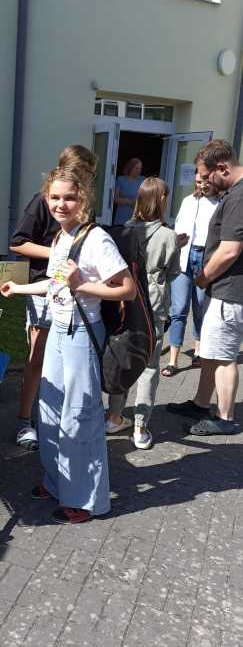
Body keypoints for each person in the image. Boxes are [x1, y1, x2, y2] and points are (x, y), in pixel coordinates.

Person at [1, 165, 135, 524]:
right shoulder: (60, 238)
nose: (61, 204)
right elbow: (55, 284)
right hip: (59, 331)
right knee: (49, 410)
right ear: (46, 199)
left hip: (82, 335)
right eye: (55, 197)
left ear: (83, 199)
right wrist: (19, 289)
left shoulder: (96, 239)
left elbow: (127, 289)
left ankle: (86, 500)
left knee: (79, 416)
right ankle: (56, 481)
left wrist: (82, 285)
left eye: (69, 198)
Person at [9, 145, 97, 449]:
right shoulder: (43, 200)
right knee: (38, 359)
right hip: (42, 288)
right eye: (87, 172)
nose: (90, 178)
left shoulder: (84, 206)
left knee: (67, 362)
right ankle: (24, 421)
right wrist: (58, 252)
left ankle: (58, 421)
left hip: (74, 293)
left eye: (91, 175)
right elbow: (18, 243)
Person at [167, 140, 243, 435]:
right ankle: (200, 403)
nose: (205, 182)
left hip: (228, 290)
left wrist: (203, 278)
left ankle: (225, 418)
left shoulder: (238, 197)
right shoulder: (233, 193)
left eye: (207, 175)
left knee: (223, 357)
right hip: (222, 288)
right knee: (211, 350)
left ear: (222, 168)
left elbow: (229, 250)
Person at [107, 178, 180, 448]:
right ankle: (140, 427)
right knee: (149, 367)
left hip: (126, 303)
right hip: (154, 306)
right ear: (161, 200)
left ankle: (114, 417)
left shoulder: (123, 231)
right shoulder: (168, 235)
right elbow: (172, 273)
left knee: (124, 359)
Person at [162, 169, 221, 376]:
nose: (201, 186)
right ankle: (173, 361)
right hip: (184, 257)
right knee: (178, 310)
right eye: (197, 182)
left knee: (200, 308)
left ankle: (198, 351)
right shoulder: (188, 201)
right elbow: (178, 227)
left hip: (206, 258)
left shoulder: (221, 203)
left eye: (205, 182)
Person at [113, 157, 145, 225]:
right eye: (136, 168)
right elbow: (115, 198)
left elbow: (147, 198)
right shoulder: (121, 179)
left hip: (136, 216)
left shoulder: (143, 180)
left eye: (140, 168)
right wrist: (129, 202)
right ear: (130, 168)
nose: (139, 170)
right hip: (122, 215)